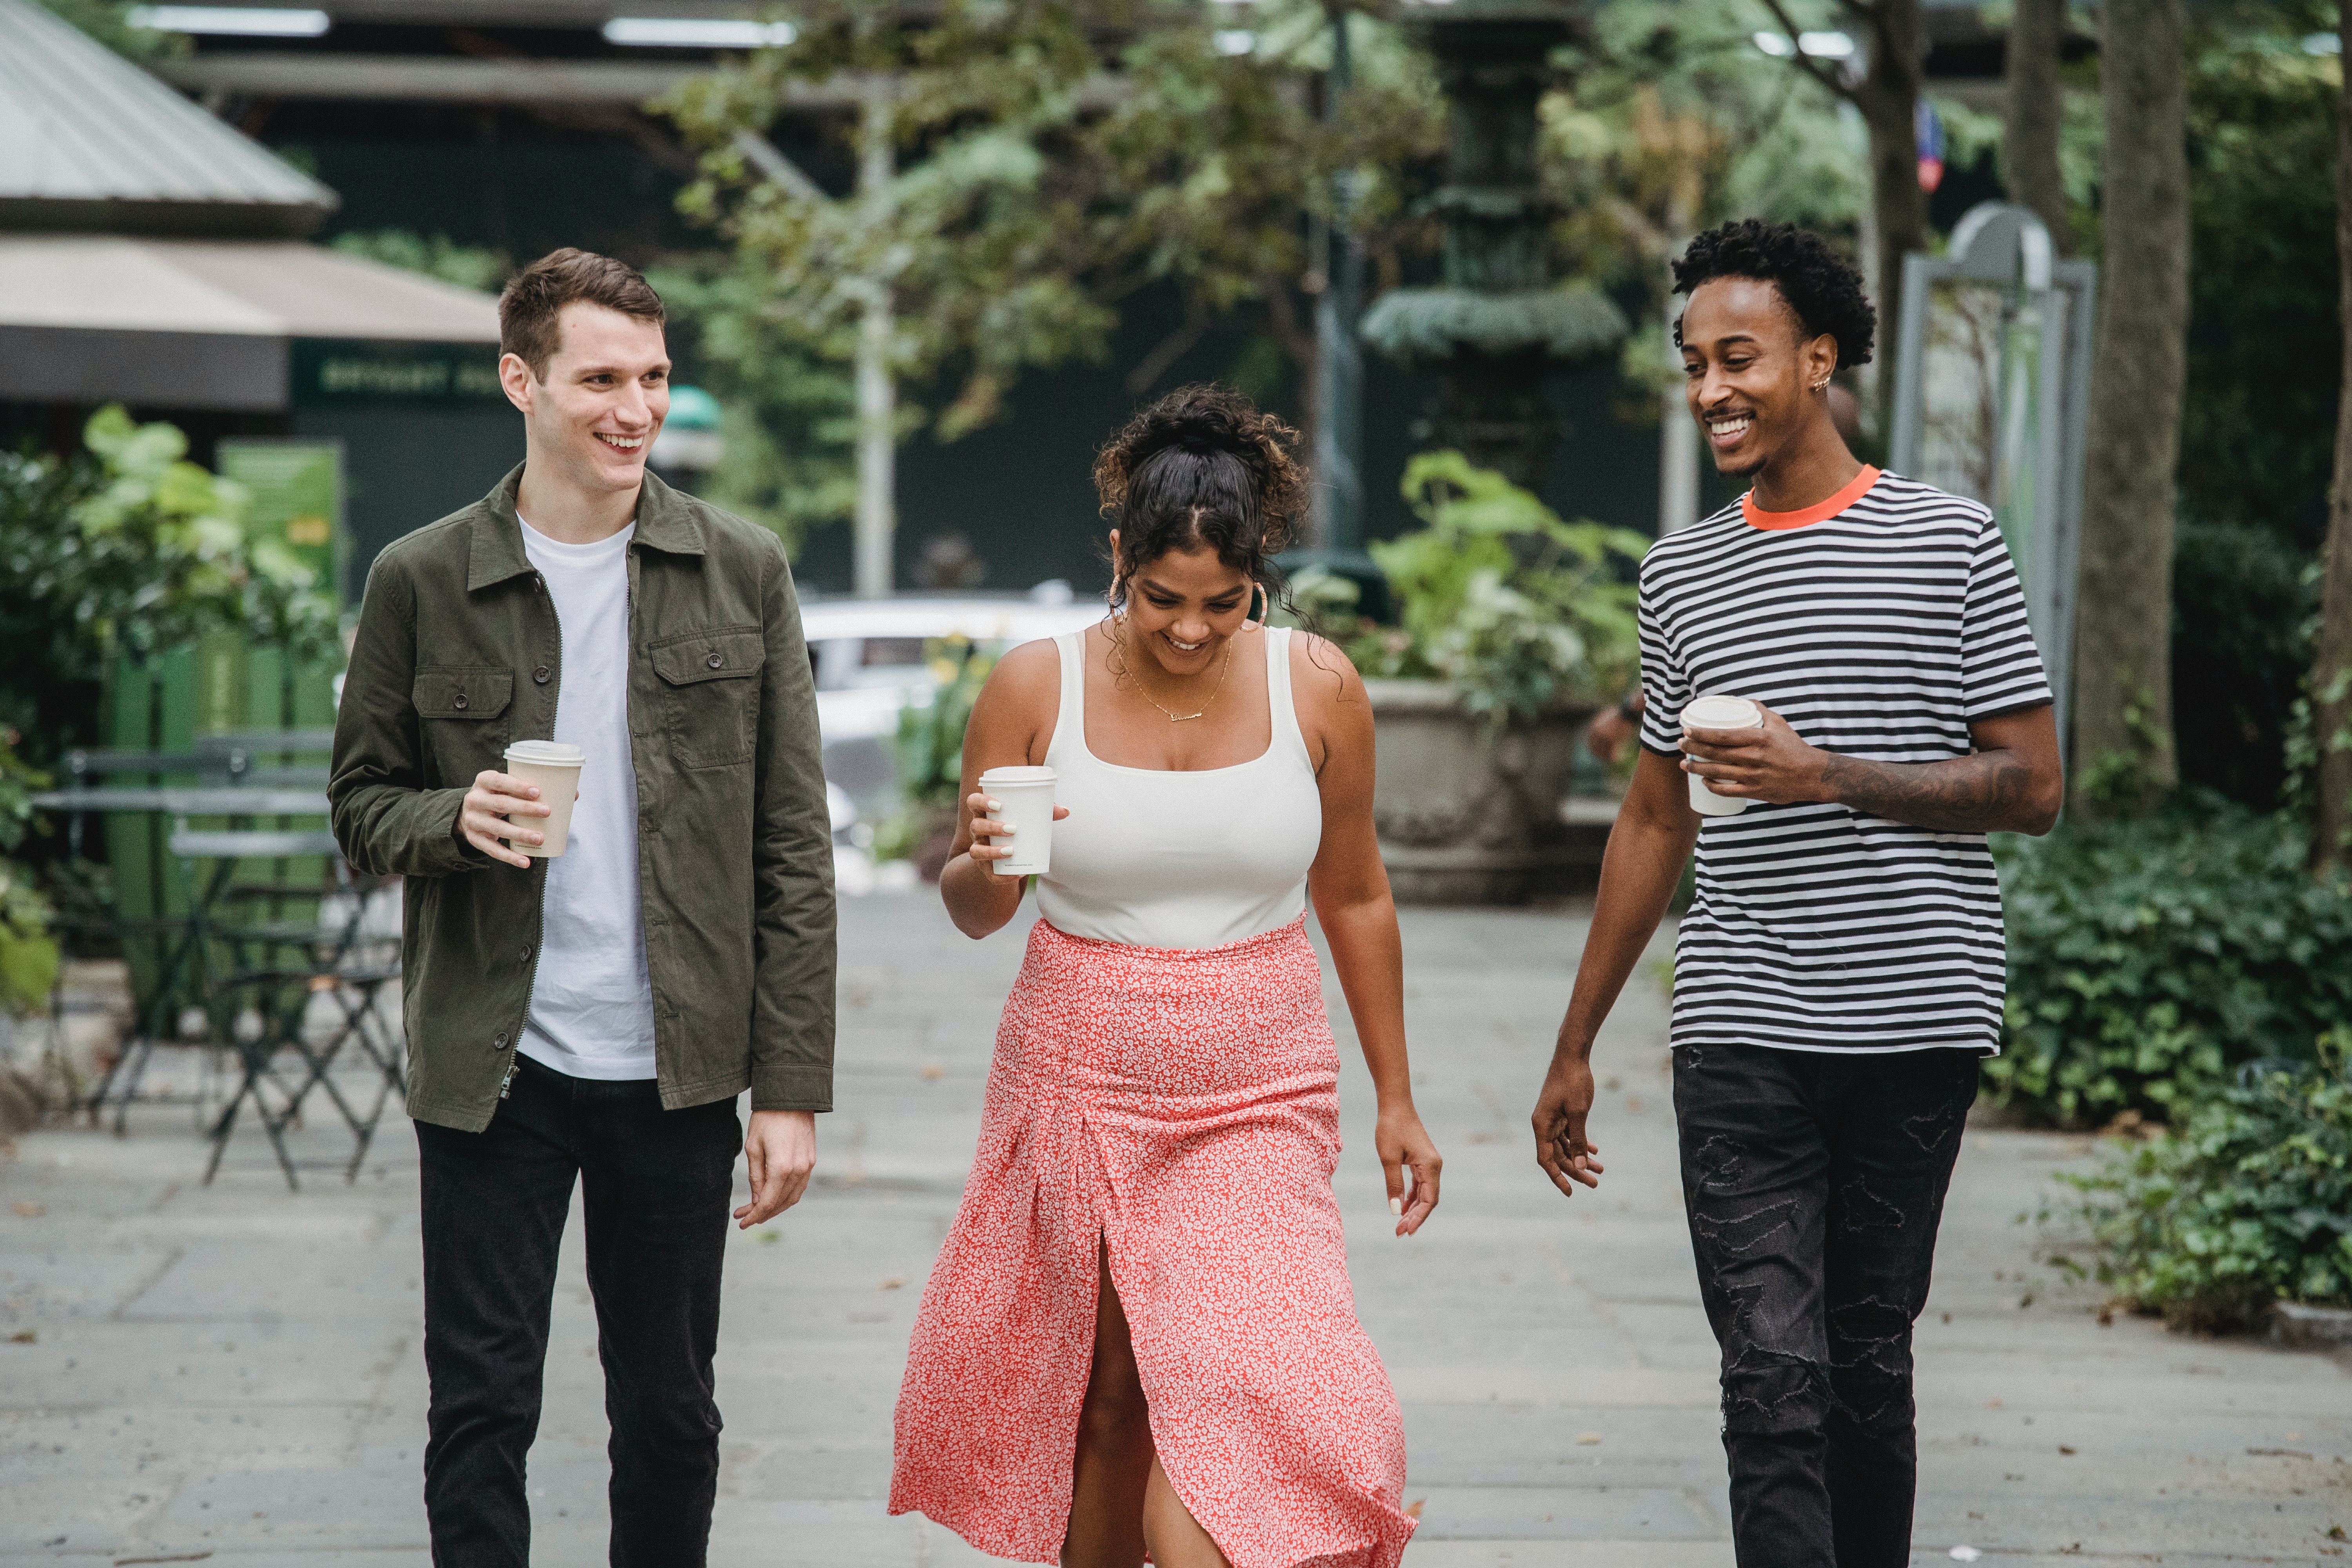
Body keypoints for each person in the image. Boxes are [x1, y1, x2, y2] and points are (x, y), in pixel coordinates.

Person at [1526, 220, 2063, 1566]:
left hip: (1914, 1015)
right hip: (1742, 1020)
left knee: (1863, 1363)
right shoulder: (1681, 573)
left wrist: (1827, 775)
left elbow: (2034, 785)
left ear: (1819, 360)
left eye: (1741, 357)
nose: (1711, 386)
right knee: (1769, 1377)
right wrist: (1575, 1040)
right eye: (1694, 361)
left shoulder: (1951, 543)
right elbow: (1654, 819)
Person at [328, 248, 836, 1566]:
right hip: (497, 1063)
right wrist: (457, 819)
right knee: (481, 1410)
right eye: (602, 378)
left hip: (678, 1068)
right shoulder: (420, 579)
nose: (637, 410)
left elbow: (794, 844)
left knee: (671, 1416)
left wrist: (789, 1086)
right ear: (523, 382)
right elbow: (359, 806)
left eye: (656, 378)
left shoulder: (743, 570)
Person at [889, 385, 1440, 1568]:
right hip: (1078, 1074)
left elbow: (1354, 891)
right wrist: (979, 864)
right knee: (1103, 1401)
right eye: (1160, 599)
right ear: (1115, 560)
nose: (1188, 629)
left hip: (1260, 1085)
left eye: (1221, 604)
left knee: (1265, 1394)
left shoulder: (1318, 686)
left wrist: (1396, 1094)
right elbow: (980, 913)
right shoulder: (1035, 686)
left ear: (1258, 580)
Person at [1585, 380, 1864, 767]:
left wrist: (1627, 715)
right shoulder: (1736, 538)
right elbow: (1700, 661)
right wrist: (1629, 714)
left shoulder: (1874, 552)